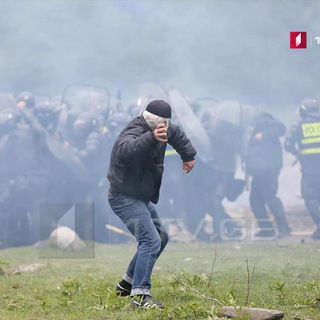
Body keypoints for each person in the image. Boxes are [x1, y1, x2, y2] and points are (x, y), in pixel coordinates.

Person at [107, 100, 196, 309]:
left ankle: (126, 284)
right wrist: (151, 138)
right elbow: (126, 151)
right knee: (150, 240)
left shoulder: (162, 127)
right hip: (122, 197)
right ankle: (140, 296)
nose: (168, 127)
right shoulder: (134, 131)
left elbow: (177, 134)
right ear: (156, 123)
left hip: (138, 197)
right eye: (164, 124)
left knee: (161, 237)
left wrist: (188, 155)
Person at [246, 111, 291, 238]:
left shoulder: (261, 120)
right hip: (260, 170)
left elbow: (281, 127)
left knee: (269, 197)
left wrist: (263, 135)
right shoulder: (248, 128)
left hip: (269, 169)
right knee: (255, 199)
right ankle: (267, 229)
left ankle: (284, 228)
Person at [284, 98, 320, 239]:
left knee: (310, 197)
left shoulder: (299, 125)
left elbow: (287, 144)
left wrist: (298, 154)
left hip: (309, 170)